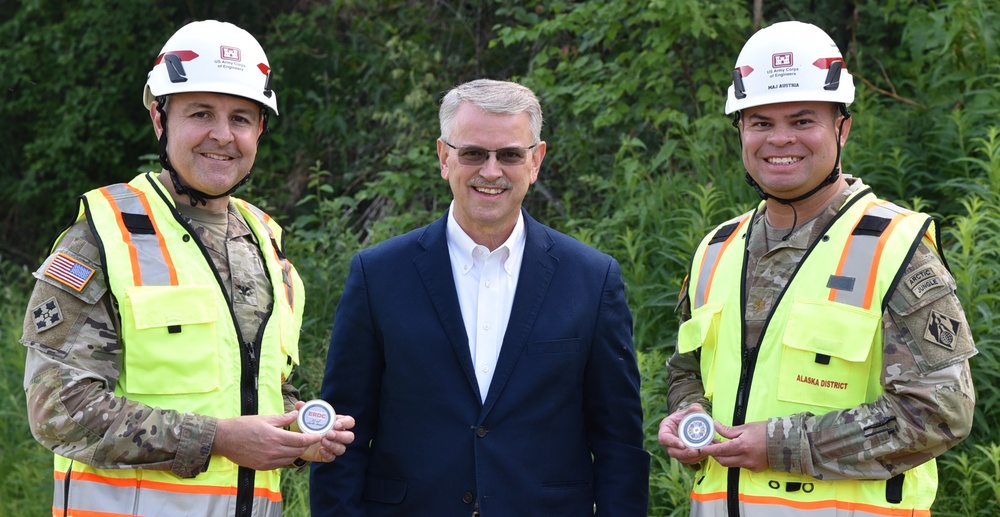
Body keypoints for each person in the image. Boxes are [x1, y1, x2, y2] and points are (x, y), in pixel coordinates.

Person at [20, 20, 355, 517]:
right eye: (201, 113)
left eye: (241, 118)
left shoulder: (263, 243)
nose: (223, 135)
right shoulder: (104, 236)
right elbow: (58, 410)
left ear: (260, 129)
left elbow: (257, 389)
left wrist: (295, 434)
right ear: (160, 119)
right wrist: (217, 439)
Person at [657, 20, 976, 516]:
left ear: (841, 128)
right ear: (740, 129)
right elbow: (685, 371)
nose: (779, 140)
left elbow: (940, 413)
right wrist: (687, 413)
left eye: (802, 121)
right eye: (760, 122)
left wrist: (781, 444)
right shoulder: (716, 249)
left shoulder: (895, 247)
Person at [309, 78, 650, 516]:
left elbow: (619, 444)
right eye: (473, 153)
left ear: (536, 161)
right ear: (444, 157)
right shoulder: (378, 275)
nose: (491, 171)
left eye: (509, 154)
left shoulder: (592, 278)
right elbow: (342, 437)